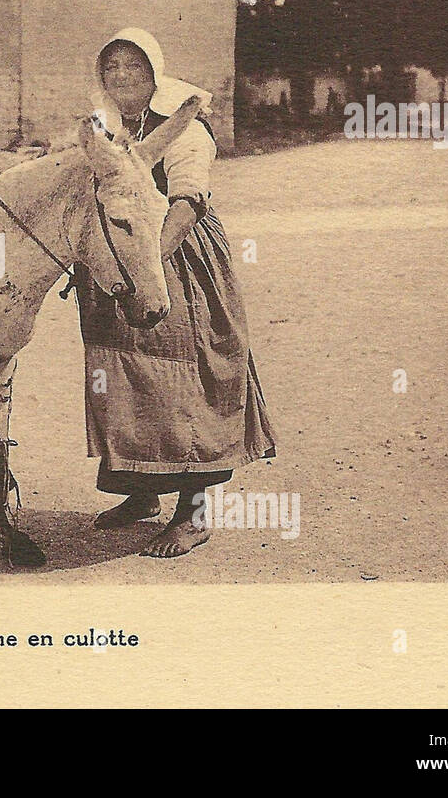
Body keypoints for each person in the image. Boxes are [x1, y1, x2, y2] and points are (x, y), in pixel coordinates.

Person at [77, 28, 277, 557]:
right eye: (112, 67)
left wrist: (151, 264)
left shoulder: (186, 132)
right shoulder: (106, 130)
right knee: (121, 375)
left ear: (155, 75)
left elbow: (187, 203)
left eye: (134, 67)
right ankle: (140, 493)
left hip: (178, 257)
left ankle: (194, 512)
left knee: (183, 376)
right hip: (121, 260)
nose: (121, 76)